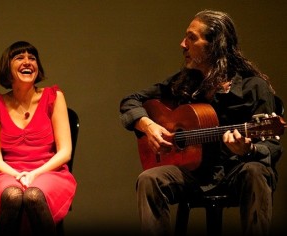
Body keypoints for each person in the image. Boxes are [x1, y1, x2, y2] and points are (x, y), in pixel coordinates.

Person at [119, 10, 283, 236]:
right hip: (192, 175)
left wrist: (249, 149)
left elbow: (272, 147)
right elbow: (131, 101)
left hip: (236, 172)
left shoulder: (252, 87)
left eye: (192, 38)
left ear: (215, 44)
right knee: (149, 179)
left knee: (256, 172)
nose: (182, 44)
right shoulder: (183, 82)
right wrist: (149, 126)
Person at [0, 41, 77, 236]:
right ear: (7, 67)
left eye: (32, 58)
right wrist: (18, 175)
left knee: (34, 195)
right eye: (20, 58)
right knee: (11, 194)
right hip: (8, 173)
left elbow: (65, 152)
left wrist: (35, 174)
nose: (27, 62)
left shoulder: (54, 96)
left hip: (49, 172)